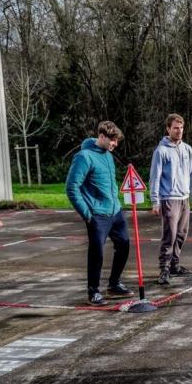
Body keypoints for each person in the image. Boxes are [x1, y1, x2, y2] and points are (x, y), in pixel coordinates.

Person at [65, 121, 134, 305]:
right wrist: (87, 214)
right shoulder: (84, 157)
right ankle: (93, 291)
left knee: (125, 245)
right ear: (101, 137)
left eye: (116, 141)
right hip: (97, 215)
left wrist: (117, 203)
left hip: (115, 212)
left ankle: (114, 284)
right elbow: (72, 188)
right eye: (112, 140)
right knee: (97, 254)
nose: (115, 144)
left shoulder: (108, 156)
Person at [149, 113, 192, 286]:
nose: (179, 131)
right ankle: (163, 268)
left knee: (181, 234)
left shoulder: (187, 149)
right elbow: (155, 177)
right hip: (168, 198)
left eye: (181, 128)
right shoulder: (161, 151)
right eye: (175, 128)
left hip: (184, 198)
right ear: (168, 129)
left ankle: (174, 265)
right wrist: (155, 201)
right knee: (169, 235)